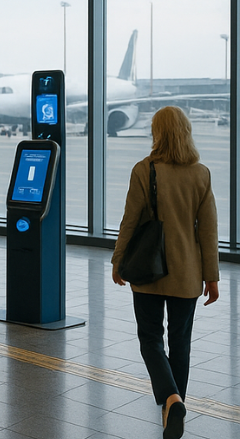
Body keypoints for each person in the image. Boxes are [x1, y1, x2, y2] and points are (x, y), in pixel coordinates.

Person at [112, 106, 219, 439]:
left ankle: (171, 399)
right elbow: (209, 231)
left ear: (157, 133)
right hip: (187, 274)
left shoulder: (144, 170)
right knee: (180, 343)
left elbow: (131, 220)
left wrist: (118, 259)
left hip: (148, 271)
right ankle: (175, 406)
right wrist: (212, 277)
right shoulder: (201, 173)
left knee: (150, 340)